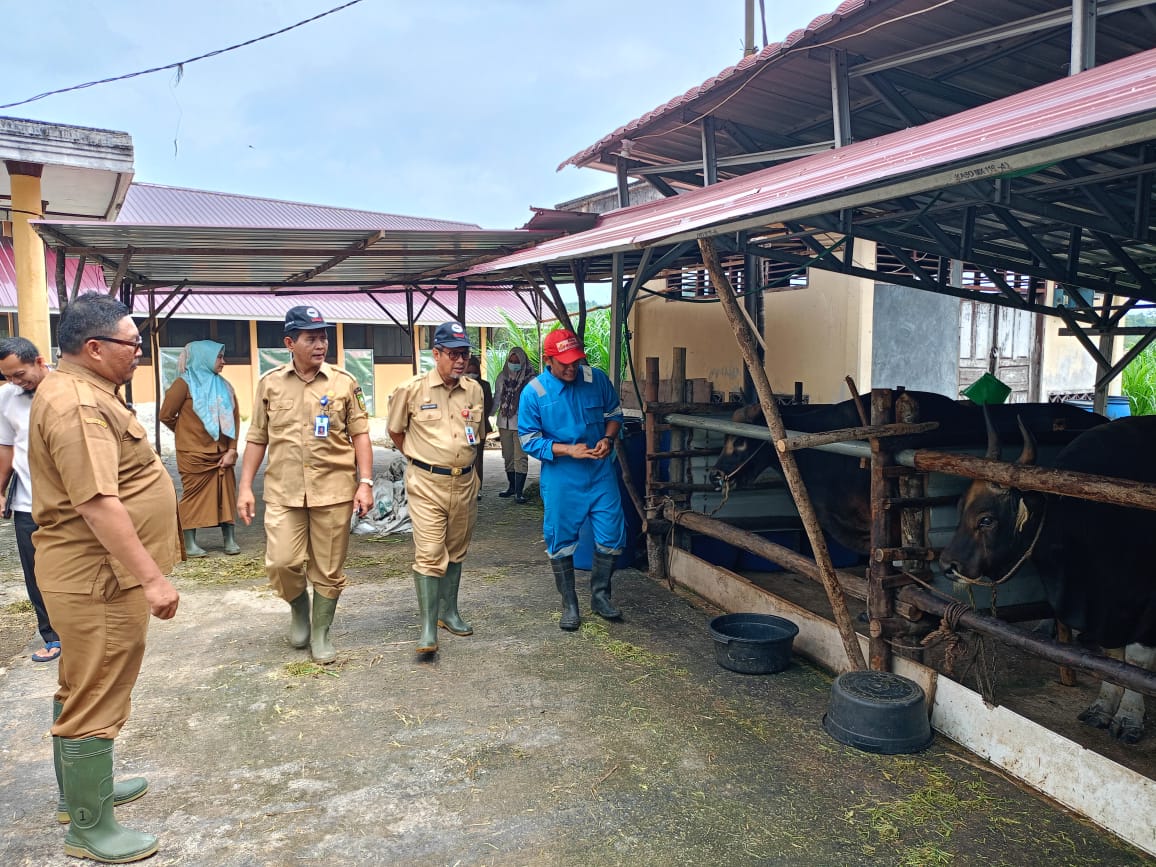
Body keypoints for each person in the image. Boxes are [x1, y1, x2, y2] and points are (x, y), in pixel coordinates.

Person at [29, 291, 181, 863]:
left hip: (87, 572)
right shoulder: (79, 406)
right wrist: (152, 580)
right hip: (99, 575)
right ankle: (90, 829)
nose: (139, 353)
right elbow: (97, 503)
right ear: (94, 349)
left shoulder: (80, 391)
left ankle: (80, 796)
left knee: (80, 683)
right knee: (97, 690)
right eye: (132, 344)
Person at [237, 305, 372, 665]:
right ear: (289, 343)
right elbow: (257, 437)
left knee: (328, 568)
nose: (320, 344)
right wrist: (245, 486)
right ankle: (299, 607)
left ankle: (321, 631)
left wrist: (366, 482)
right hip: (284, 491)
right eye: (311, 338)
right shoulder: (270, 383)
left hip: (334, 490)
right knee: (281, 563)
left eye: (323, 336)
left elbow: (361, 435)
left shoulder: (344, 382)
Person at [519, 329, 625, 631]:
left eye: (576, 362)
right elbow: (529, 440)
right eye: (564, 362)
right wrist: (567, 449)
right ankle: (569, 605)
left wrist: (608, 437)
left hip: (600, 471)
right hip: (562, 477)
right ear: (548, 359)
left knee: (612, 535)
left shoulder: (596, 379)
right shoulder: (535, 392)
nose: (571, 368)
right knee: (561, 539)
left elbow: (614, 414)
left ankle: (601, 597)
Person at [387, 322, 484, 654]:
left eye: (465, 354)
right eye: (453, 354)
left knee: (457, 549)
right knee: (430, 554)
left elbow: (478, 435)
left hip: (466, 481)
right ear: (437, 354)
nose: (460, 361)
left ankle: (449, 612)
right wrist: (423, 459)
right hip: (427, 482)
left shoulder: (473, 390)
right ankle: (428, 628)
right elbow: (397, 432)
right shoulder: (411, 390)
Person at [0, 337, 61, 663]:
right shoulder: (7, 398)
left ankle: (83, 630)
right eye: (8, 376)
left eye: (19, 374)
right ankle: (51, 636)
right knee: (36, 575)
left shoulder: (66, 390)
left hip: (70, 504)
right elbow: (6, 449)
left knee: (75, 569)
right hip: (28, 505)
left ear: (39, 362)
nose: (14, 382)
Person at [159, 340, 241, 557]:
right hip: (193, 454)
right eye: (219, 357)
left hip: (222, 452)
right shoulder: (183, 385)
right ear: (203, 358)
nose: (224, 362)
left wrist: (232, 450)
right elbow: (165, 415)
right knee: (193, 496)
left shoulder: (224, 386)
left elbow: (234, 420)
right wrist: (186, 432)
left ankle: (230, 539)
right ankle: (189, 543)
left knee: (227, 495)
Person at [492, 346, 533, 504]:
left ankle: (519, 492)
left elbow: (539, 400)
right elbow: (497, 400)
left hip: (523, 424)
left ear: (523, 362)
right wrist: (486, 415)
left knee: (520, 457)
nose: (513, 363)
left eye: (517, 361)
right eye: (511, 360)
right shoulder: (502, 377)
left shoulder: (531, 380)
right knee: (508, 456)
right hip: (504, 423)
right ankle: (511, 487)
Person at [465, 354, 493, 500]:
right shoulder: (459, 384)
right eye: (468, 370)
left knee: (477, 458)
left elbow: (488, 405)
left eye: (474, 370)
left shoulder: (485, 385)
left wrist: (477, 416)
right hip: (461, 427)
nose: (471, 373)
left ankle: (477, 487)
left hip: (480, 426)